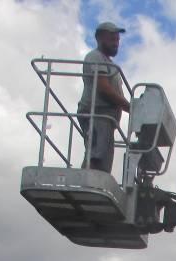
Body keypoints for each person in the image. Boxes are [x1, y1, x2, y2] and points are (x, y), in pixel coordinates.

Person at [78, 21, 131, 173]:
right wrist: (130, 108)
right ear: (100, 38)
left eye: (117, 40)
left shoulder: (109, 63)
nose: (116, 43)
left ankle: (94, 182)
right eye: (112, 39)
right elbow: (104, 89)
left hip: (107, 118)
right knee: (96, 156)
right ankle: (87, 182)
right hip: (97, 113)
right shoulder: (95, 57)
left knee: (103, 161)